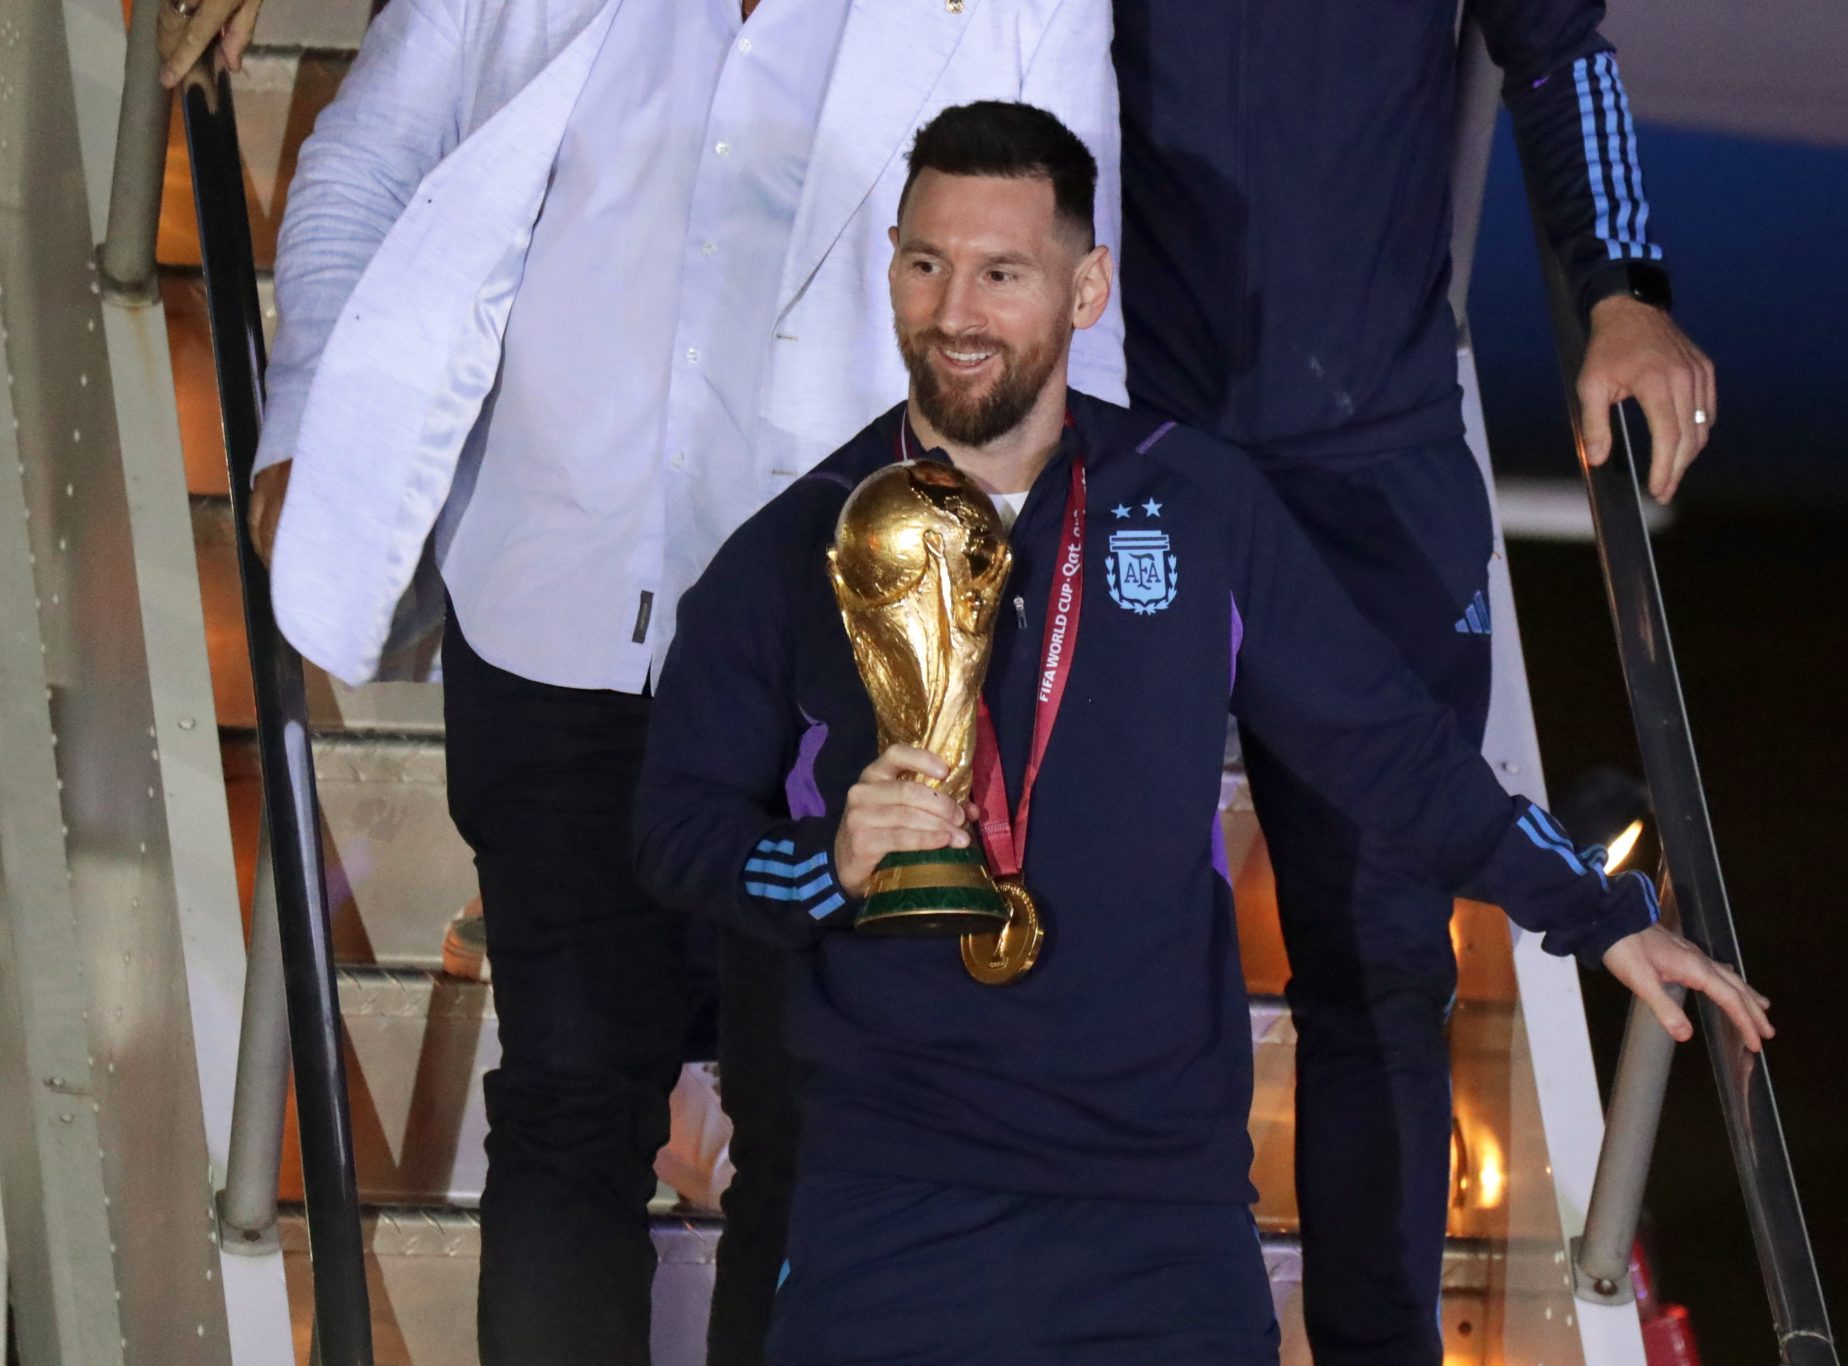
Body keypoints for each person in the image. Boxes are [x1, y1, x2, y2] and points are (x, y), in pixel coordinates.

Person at [634, 100, 1771, 1366]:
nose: (954, 310)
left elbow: (1385, 748)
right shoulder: (802, 539)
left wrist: (1597, 914)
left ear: (1086, 288)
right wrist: (826, 864)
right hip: (892, 1208)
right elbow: (675, 829)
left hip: (1160, 1220)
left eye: (1002, 272)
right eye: (924, 263)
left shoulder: (1193, 501)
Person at [250, 2, 1124, 1361]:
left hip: (839, 661)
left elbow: (1065, 299)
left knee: (814, 1129)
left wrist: (1043, 631)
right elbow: (370, 153)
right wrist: (308, 419)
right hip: (552, 603)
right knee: (566, 1098)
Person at [1112, 4, 1718, 1358]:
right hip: (1139, 448)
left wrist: (1623, 290)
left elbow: (1558, 46)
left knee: (1379, 972)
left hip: (1370, 474)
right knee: (1112, 949)